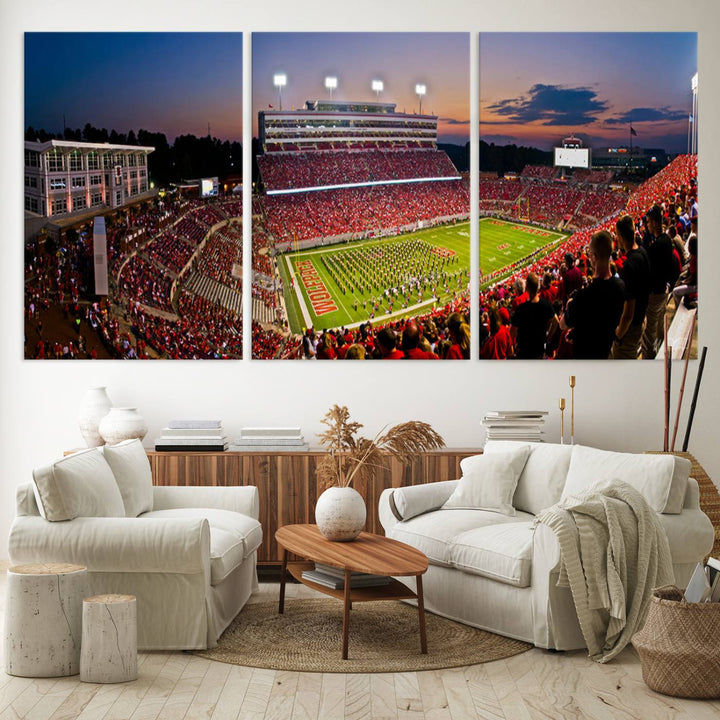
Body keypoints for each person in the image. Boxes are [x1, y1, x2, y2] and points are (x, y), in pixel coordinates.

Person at [561, 230, 625, 359]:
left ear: (594, 257)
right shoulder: (620, 286)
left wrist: (569, 305)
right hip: (606, 351)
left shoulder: (583, 297)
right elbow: (600, 322)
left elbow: (563, 324)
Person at [642, 205, 679, 359]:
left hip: (655, 292)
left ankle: (649, 360)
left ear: (656, 223)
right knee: (658, 325)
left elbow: (649, 269)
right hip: (662, 289)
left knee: (649, 331)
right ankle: (659, 348)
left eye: (649, 222)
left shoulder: (658, 245)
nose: (647, 225)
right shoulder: (665, 241)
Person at [611, 215, 651, 360]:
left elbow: (629, 310)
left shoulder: (629, 265)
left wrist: (619, 334)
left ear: (620, 236)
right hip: (641, 319)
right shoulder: (643, 253)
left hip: (630, 328)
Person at [510, 272, 556, 359]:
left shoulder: (521, 309)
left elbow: (511, 334)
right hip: (540, 350)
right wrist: (548, 337)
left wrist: (514, 349)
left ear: (526, 287)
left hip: (524, 352)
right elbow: (556, 322)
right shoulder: (546, 304)